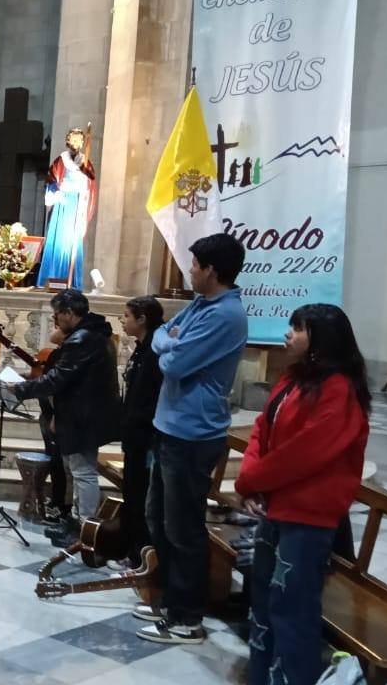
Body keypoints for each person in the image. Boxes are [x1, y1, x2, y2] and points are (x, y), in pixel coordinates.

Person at [236, 304, 370, 685]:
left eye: (297, 328)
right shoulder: (294, 378)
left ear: (321, 340)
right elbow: (262, 428)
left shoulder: (339, 390)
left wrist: (253, 481)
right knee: (262, 603)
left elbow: (304, 453)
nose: (287, 334)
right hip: (274, 509)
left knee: (291, 610)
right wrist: (251, 476)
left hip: (307, 518)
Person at [136, 232, 248, 645]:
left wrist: (167, 346)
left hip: (193, 432)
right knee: (158, 518)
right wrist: (168, 342)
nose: (190, 270)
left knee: (184, 528)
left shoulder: (226, 315)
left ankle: (187, 618)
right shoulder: (203, 304)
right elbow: (163, 334)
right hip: (169, 425)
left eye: (196, 264)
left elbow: (174, 363)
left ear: (212, 270)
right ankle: (167, 599)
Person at [9, 289, 119, 543]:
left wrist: (22, 390)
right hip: (83, 411)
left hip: (85, 413)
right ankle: (77, 522)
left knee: (83, 471)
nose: (56, 321)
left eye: (57, 315)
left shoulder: (83, 339)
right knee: (77, 468)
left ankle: (85, 530)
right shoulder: (93, 333)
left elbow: (60, 378)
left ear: (69, 313)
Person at [119, 295, 165, 570]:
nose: (123, 321)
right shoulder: (142, 348)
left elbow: (151, 396)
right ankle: (132, 550)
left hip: (145, 434)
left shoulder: (155, 352)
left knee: (141, 497)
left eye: (126, 316)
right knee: (133, 494)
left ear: (142, 319)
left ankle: (141, 556)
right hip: (134, 432)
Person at [36, 127, 96, 290]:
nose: (77, 143)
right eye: (74, 140)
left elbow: (91, 186)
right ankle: (52, 278)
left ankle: (71, 281)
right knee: (59, 241)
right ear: (68, 142)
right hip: (62, 204)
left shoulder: (86, 162)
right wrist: (59, 191)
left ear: (83, 143)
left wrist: (85, 186)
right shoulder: (60, 161)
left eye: (79, 140)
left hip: (76, 205)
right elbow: (50, 182)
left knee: (72, 243)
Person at [35, 327, 70, 527]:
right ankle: (56, 501)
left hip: (57, 415)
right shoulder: (57, 353)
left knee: (59, 462)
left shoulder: (65, 354)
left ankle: (61, 505)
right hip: (48, 412)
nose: (54, 329)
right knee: (53, 457)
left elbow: (61, 388)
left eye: (58, 326)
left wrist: (57, 414)